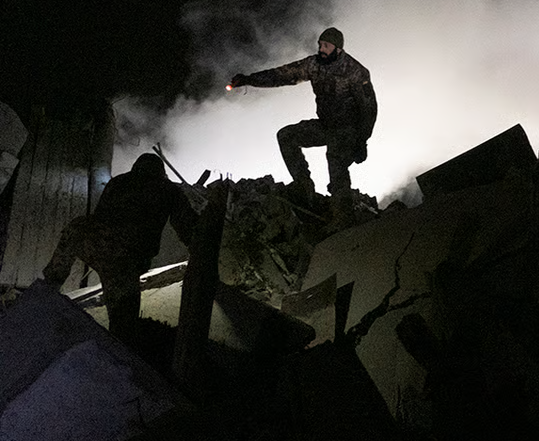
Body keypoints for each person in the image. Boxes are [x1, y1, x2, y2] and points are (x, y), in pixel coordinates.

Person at [42, 153, 198, 343]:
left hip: (93, 242)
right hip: (124, 261)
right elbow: (188, 228)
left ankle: (47, 291)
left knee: (75, 234)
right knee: (124, 332)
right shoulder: (168, 190)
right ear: (161, 172)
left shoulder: (119, 182)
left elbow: (99, 217)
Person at [230, 27, 377, 221]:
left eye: (326, 45)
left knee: (336, 165)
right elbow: (282, 75)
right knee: (286, 136)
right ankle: (304, 187)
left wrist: (361, 141)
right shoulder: (313, 65)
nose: (321, 49)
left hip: (346, 130)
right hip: (325, 125)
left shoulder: (356, 72)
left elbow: (369, 109)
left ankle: (344, 220)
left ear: (338, 48)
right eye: (320, 45)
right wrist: (249, 79)